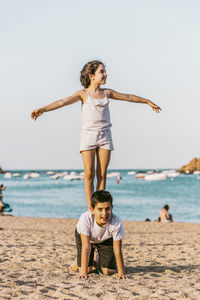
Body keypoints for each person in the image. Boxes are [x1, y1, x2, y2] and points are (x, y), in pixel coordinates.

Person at [31, 60, 161, 208]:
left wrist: (147, 102)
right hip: (88, 136)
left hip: (105, 135)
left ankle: (101, 206)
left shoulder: (107, 93)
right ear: (92, 76)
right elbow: (62, 102)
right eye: (102, 71)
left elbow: (129, 97)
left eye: (105, 71)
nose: (105, 74)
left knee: (102, 174)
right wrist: (42, 109)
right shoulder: (83, 94)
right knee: (89, 174)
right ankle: (91, 207)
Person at [75, 190, 125, 279]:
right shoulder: (85, 219)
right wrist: (83, 273)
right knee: (86, 269)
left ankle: (97, 259)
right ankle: (82, 262)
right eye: (100, 209)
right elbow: (86, 247)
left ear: (111, 208)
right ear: (92, 209)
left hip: (105, 239)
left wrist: (121, 273)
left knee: (109, 271)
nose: (104, 213)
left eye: (107, 209)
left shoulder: (116, 221)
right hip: (87, 239)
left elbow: (117, 249)